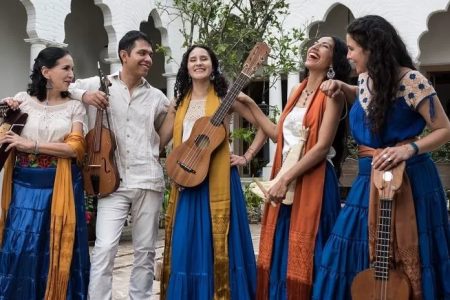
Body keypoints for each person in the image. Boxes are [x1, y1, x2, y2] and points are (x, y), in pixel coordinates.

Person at [314, 15, 450, 300]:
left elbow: (444, 129)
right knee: (345, 248)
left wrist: (408, 149)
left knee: (408, 253)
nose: (347, 55)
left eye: (352, 49)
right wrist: (344, 87)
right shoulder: (364, 79)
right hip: (367, 181)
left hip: (411, 183)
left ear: (372, 49)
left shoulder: (412, 81)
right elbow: (367, 100)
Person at [235, 36, 352, 299]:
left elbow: (321, 148)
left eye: (325, 47)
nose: (315, 47)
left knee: (310, 252)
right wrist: (251, 104)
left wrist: (283, 179)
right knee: (281, 250)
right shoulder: (297, 90)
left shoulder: (332, 93)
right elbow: (278, 135)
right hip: (286, 183)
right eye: (315, 43)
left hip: (314, 182)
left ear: (334, 61)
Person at [69, 30, 169, 299]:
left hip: (148, 179)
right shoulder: (96, 84)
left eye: (150, 54)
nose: (148, 59)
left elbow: (166, 134)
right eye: (142, 53)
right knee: (103, 249)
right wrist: (84, 97)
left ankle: (141, 297)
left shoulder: (158, 97)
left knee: (146, 251)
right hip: (109, 181)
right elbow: (62, 86)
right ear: (124, 56)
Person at [158, 44, 260, 299]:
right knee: (185, 247)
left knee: (221, 244)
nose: (199, 62)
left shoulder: (227, 98)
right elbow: (161, 139)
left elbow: (266, 128)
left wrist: (246, 156)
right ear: (186, 66)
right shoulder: (180, 101)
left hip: (219, 181)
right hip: (187, 181)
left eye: (204, 58)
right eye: (193, 59)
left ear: (213, 65)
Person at [0, 47, 89, 299]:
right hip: (23, 187)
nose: (72, 74)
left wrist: (32, 145)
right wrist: (6, 113)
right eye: (66, 68)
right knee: (20, 249)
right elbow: (4, 139)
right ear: (46, 72)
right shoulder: (21, 101)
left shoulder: (74, 108)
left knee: (57, 251)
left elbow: (75, 148)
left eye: (72, 68)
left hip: (60, 187)